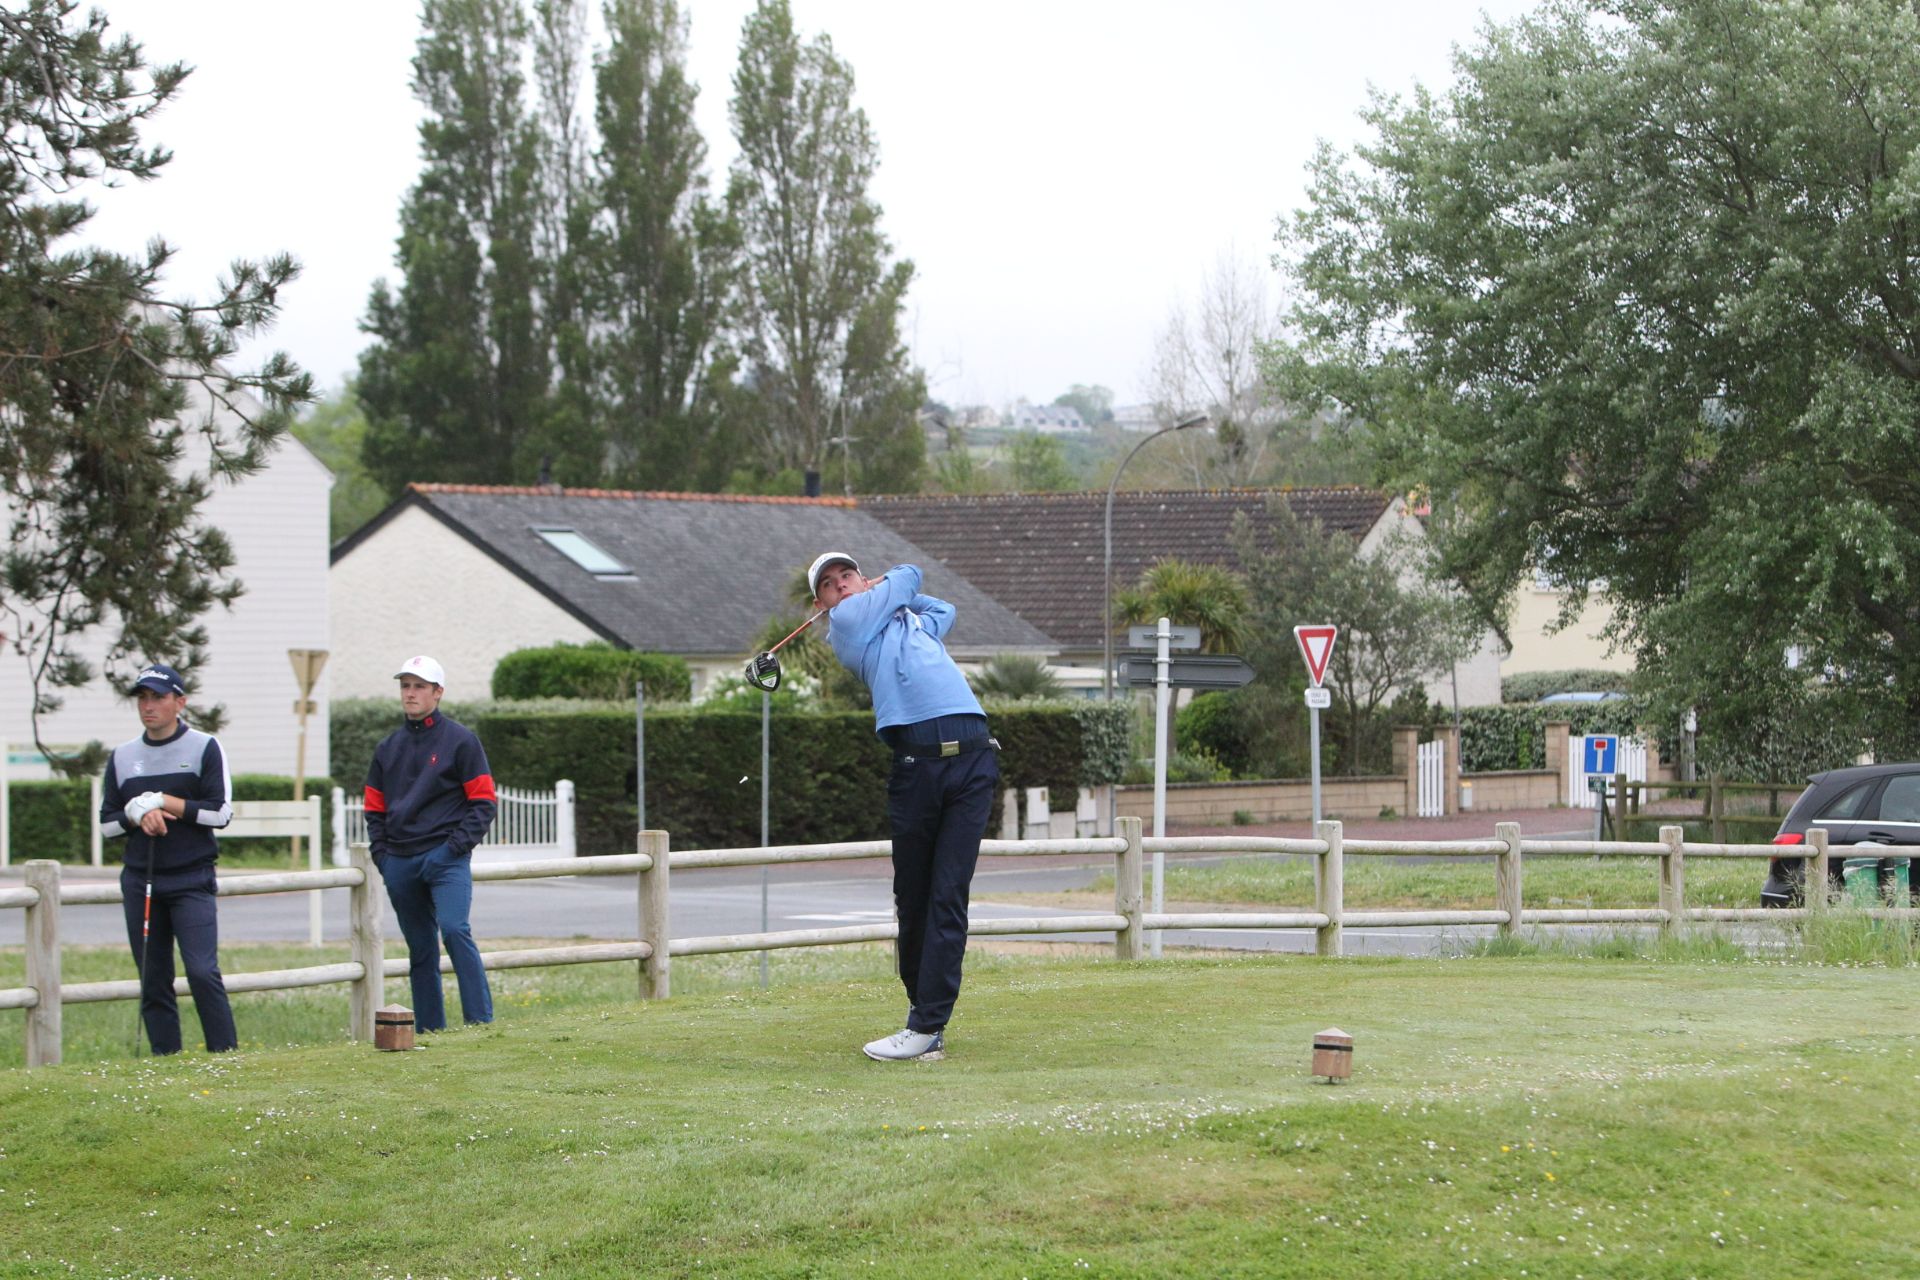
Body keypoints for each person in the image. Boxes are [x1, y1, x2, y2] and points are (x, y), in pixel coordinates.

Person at [810, 551, 1000, 1062]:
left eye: (847, 575)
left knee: (949, 895)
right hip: (917, 769)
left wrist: (892, 599)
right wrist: (882, 589)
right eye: (828, 584)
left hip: (974, 761)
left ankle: (927, 1025)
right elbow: (911, 574)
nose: (841, 586)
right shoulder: (846, 628)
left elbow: (944, 609)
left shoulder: (909, 623)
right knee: (915, 897)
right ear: (821, 605)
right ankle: (922, 1011)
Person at [98, 662, 239, 1055]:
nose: (149, 706)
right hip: (141, 879)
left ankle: (224, 1055)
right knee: (153, 976)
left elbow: (220, 813)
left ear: (180, 702)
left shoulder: (204, 747)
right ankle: (165, 1059)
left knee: (201, 970)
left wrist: (163, 802)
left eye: (158, 697)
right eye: (142, 698)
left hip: (191, 877)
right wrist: (138, 814)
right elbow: (108, 825)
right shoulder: (123, 756)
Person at [364, 655, 497, 1031]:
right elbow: (374, 809)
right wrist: (383, 857)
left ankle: (480, 1022)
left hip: (445, 858)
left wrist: (454, 848)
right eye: (405, 685)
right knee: (420, 948)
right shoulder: (387, 748)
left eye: (419, 686)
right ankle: (430, 1029)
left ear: (438, 693)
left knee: (455, 930)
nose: (410, 693)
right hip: (399, 861)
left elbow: (484, 801)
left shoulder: (461, 741)